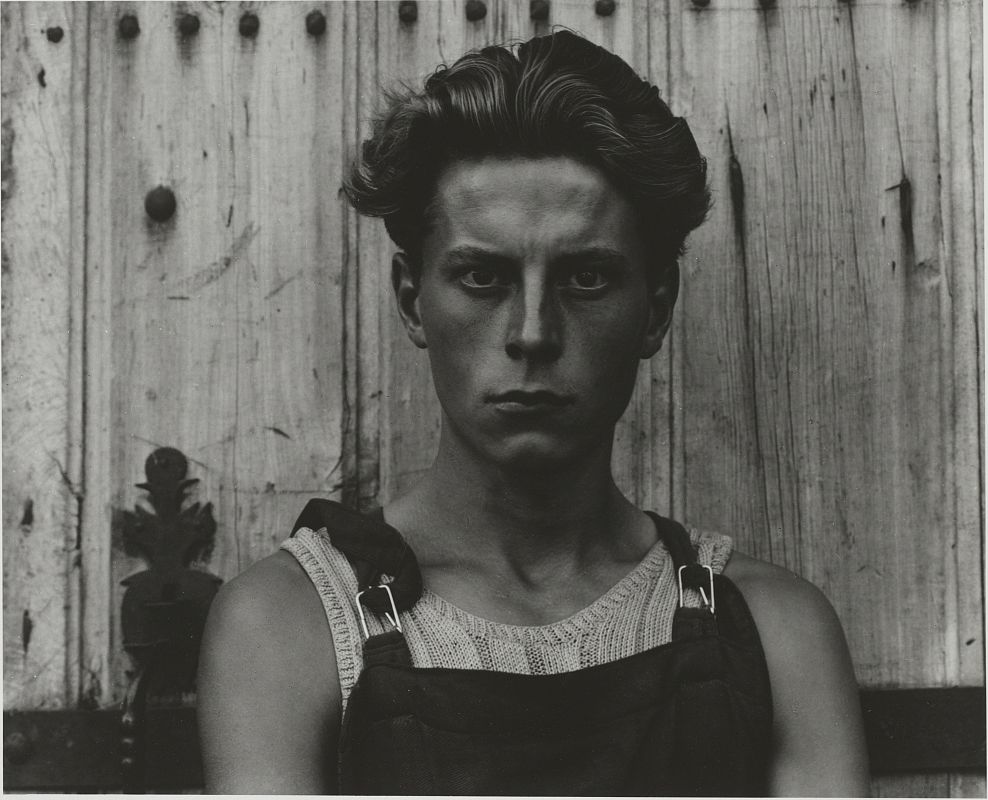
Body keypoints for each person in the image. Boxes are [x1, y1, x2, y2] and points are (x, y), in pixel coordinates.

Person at [197, 30, 869, 795]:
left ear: (655, 310)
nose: (533, 333)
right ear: (412, 302)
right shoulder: (291, 627)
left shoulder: (776, 632)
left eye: (586, 279)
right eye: (483, 278)